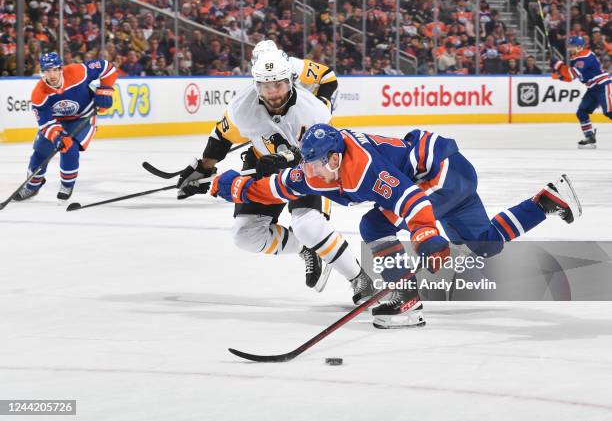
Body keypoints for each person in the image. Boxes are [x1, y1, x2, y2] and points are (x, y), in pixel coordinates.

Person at [210, 124, 582, 329]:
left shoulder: (363, 169)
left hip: (438, 178)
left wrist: (425, 236)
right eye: (308, 166)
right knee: (485, 244)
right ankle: (547, 201)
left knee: (373, 224)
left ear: (336, 157)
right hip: (454, 172)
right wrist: (226, 184)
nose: (312, 174)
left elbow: (410, 200)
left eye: (318, 166)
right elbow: (276, 186)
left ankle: (406, 300)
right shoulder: (319, 168)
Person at [175, 50, 373, 304]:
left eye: (278, 84)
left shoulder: (313, 111)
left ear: (290, 81)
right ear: (256, 85)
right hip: (263, 162)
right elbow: (221, 137)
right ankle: (304, 248)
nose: (273, 93)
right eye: (265, 86)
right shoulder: (241, 108)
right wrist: (203, 168)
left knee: (308, 225)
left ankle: (359, 278)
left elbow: (326, 154)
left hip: (307, 168)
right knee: (245, 236)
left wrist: (289, 159)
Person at [14, 52, 117, 201]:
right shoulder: (39, 93)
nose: (52, 75)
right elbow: (46, 123)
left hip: (83, 117)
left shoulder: (78, 71)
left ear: (61, 69)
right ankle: (32, 186)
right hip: (57, 122)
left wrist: (105, 90)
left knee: (70, 149)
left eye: (55, 69)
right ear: (42, 72)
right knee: (40, 152)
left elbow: (108, 68)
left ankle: (67, 184)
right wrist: (57, 136)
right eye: (47, 71)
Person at [550, 36, 612, 149]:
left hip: (602, 85)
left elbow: (571, 73)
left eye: (571, 46)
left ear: (579, 47)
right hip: (593, 88)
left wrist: (558, 65)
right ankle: (590, 137)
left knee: (610, 112)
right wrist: (558, 76)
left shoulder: (585, 56)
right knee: (581, 112)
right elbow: (570, 77)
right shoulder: (576, 58)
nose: (569, 49)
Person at [250, 40, 338, 110]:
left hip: (313, 97)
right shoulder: (260, 75)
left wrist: (321, 100)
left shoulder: (296, 65)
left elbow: (328, 77)